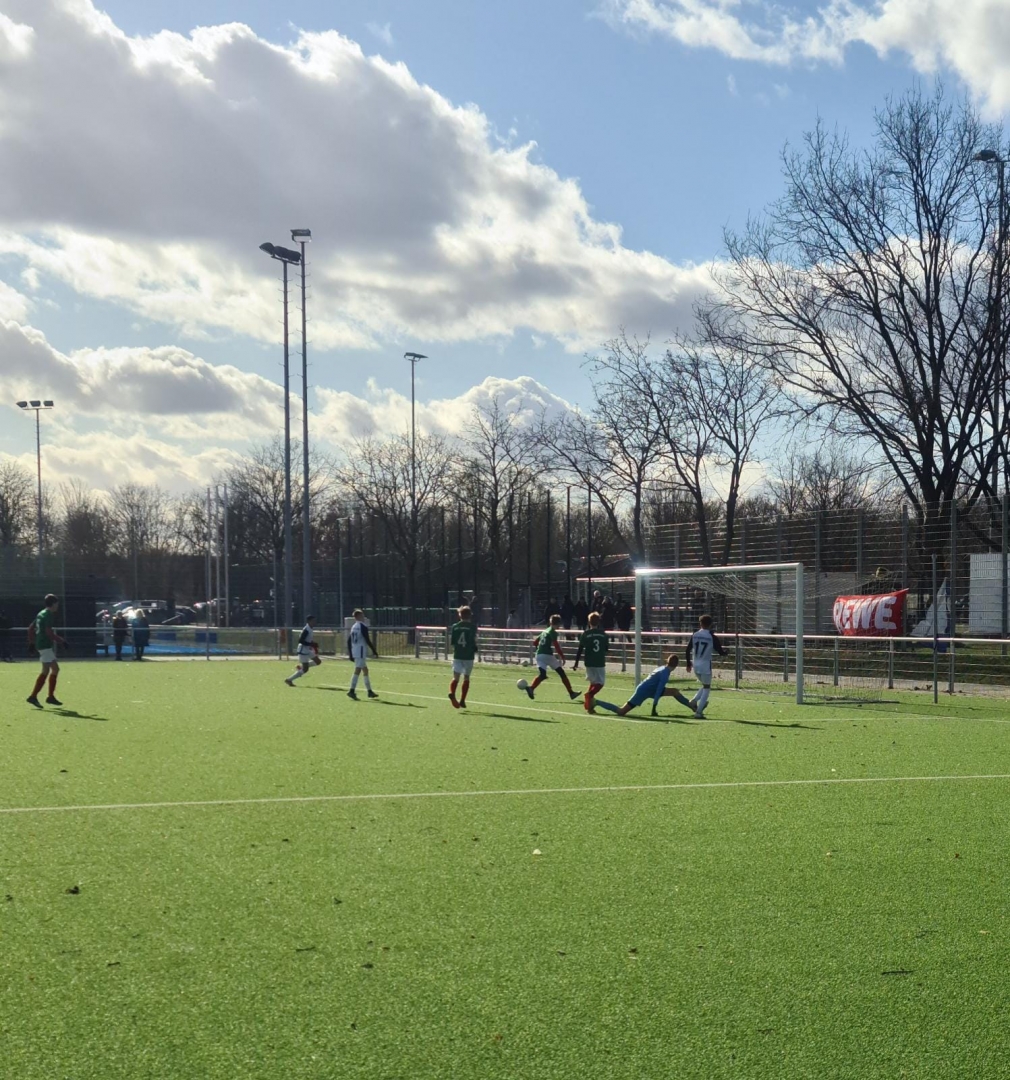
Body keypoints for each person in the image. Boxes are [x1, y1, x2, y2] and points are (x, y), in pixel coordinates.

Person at [593, 655, 693, 718]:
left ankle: (692, 706)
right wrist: (654, 707)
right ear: (676, 665)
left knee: (674, 691)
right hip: (643, 691)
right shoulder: (664, 673)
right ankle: (596, 702)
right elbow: (659, 690)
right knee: (621, 711)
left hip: (650, 690)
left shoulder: (663, 668)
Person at [520, 614, 579, 702]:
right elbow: (556, 646)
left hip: (539, 655)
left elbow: (535, 642)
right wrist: (562, 656)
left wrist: (540, 649)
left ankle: (531, 688)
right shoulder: (552, 632)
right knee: (561, 673)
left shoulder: (545, 631)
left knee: (542, 675)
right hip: (548, 655)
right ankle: (571, 693)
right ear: (558, 623)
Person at [26, 593, 67, 708]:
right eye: (57, 603)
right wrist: (61, 641)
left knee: (55, 669)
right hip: (45, 645)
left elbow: (30, 628)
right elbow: (49, 633)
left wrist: (32, 643)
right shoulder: (48, 614)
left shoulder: (41, 613)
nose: (57, 606)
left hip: (42, 644)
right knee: (46, 670)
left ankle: (50, 697)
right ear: (53, 604)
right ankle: (34, 696)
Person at [686, 613, 727, 719]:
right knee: (707, 688)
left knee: (705, 685)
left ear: (700, 623)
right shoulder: (712, 637)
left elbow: (687, 649)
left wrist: (688, 663)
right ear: (711, 624)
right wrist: (727, 652)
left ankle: (694, 701)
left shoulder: (695, 635)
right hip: (705, 666)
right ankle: (698, 712)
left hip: (696, 665)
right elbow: (721, 652)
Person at [572, 610, 609, 712]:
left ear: (589, 622)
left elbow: (580, 649)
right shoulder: (603, 634)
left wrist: (576, 663)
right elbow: (606, 648)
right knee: (600, 683)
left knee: (593, 683)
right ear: (599, 622)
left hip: (589, 661)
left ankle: (589, 706)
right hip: (599, 661)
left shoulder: (586, 634)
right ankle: (589, 695)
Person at [448, 605, 479, 709]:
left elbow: (453, 642)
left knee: (456, 677)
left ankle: (452, 693)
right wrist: (475, 647)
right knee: (466, 677)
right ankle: (462, 700)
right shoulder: (472, 627)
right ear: (470, 615)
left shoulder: (455, 626)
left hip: (457, 655)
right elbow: (472, 639)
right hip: (468, 656)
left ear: (460, 615)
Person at [347, 609, 379, 699]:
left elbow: (349, 641)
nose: (363, 617)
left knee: (365, 670)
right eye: (362, 615)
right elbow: (367, 639)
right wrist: (374, 650)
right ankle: (351, 690)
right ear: (358, 616)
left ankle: (369, 691)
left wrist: (350, 653)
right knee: (358, 669)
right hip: (360, 650)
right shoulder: (362, 626)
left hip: (355, 650)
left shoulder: (354, 626)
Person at [285, 615, 322, 686]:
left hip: (307, 649)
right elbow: (301, 641)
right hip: (303, 651)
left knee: (318, 661)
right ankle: (289, 680)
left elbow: (307, 640)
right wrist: (311, 644)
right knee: (305, 669)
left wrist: (313, 643)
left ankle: (301, 667)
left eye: (315, 621)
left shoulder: (310, 629)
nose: (315, 622)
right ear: (309, 621)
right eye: (313, 621)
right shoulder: (306, 630)